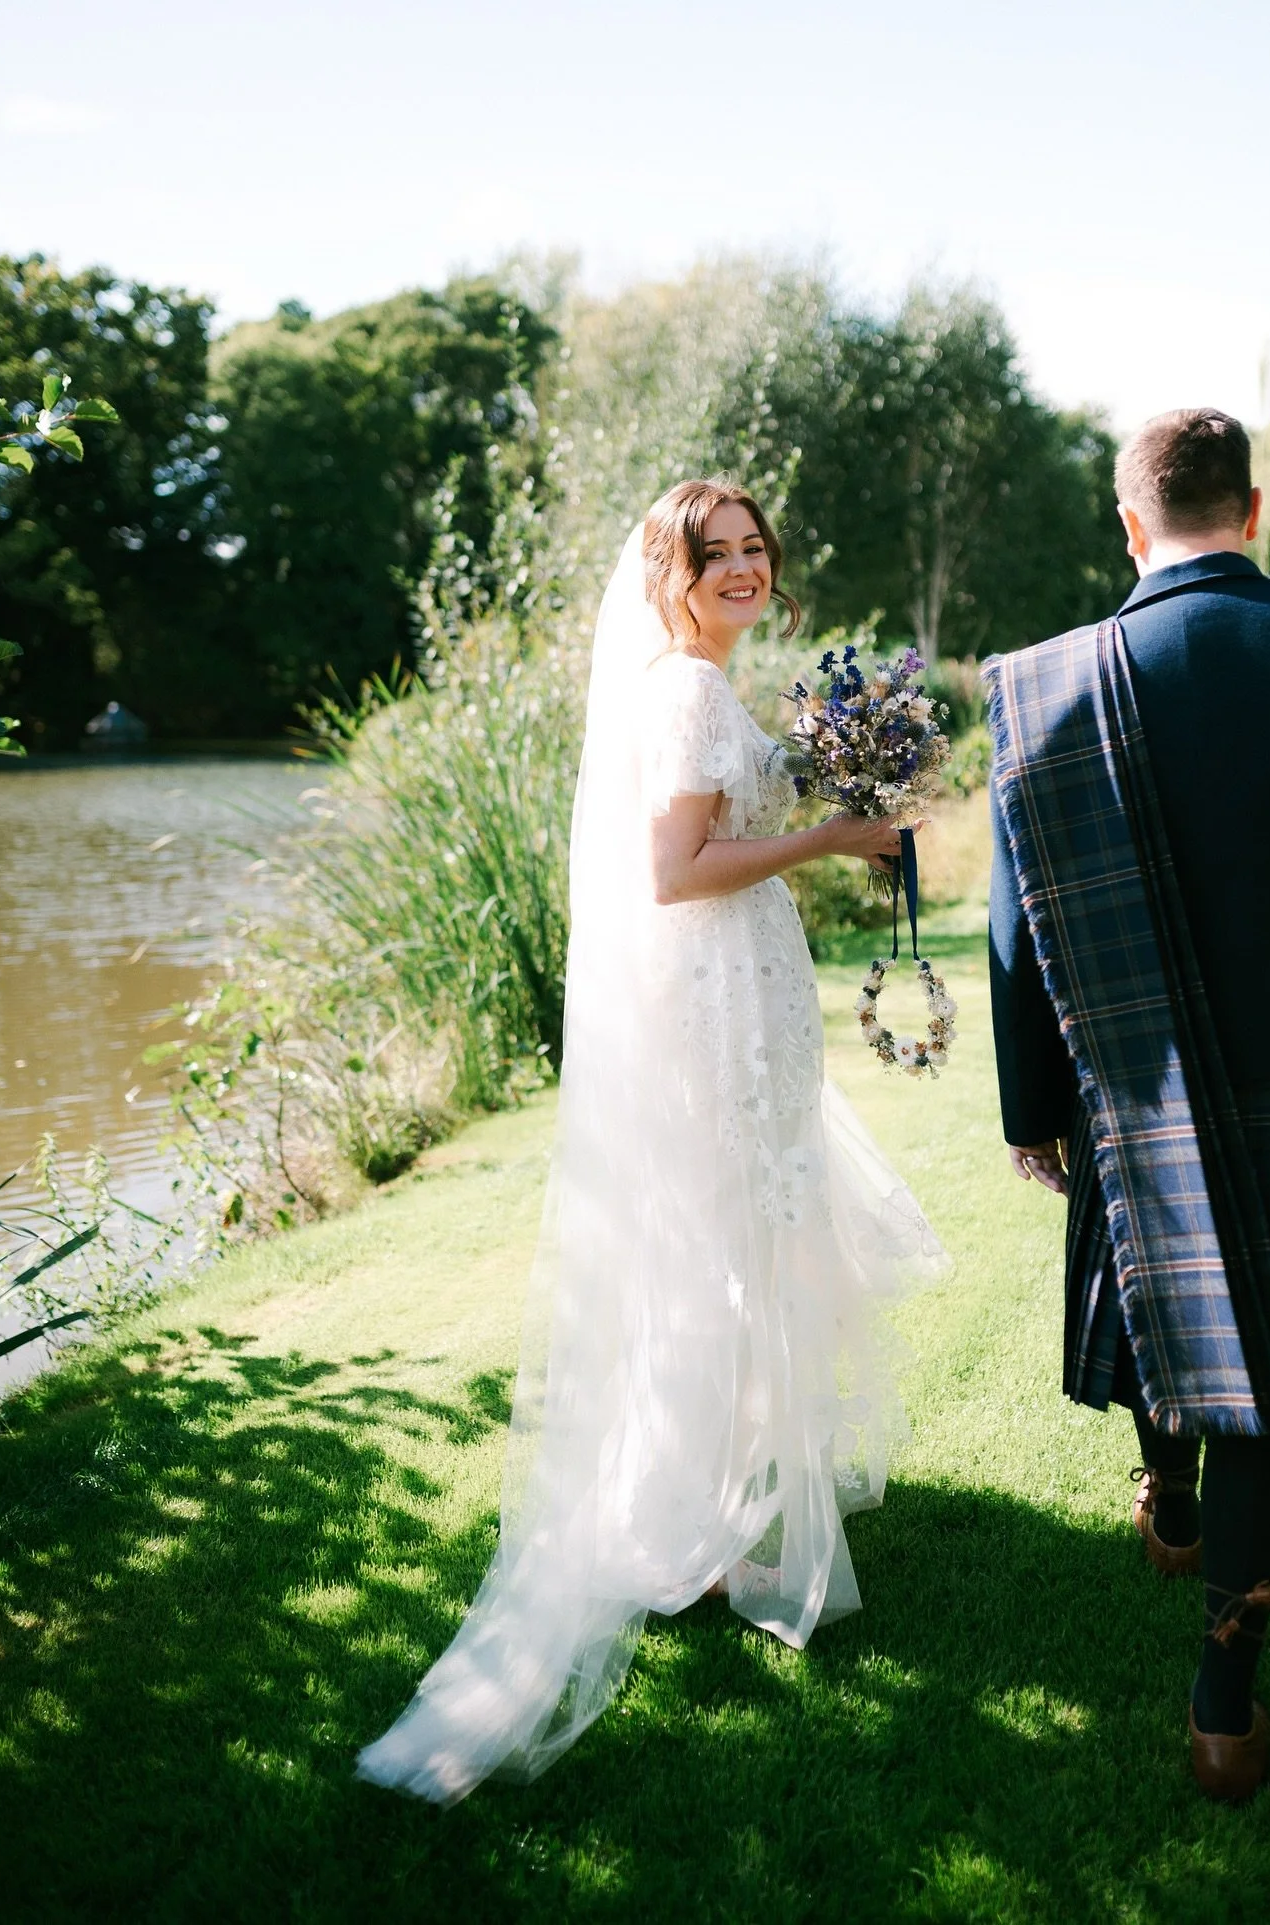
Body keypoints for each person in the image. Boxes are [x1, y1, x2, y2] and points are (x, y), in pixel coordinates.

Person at [357, 477, 947, 1805]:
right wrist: (835, 835)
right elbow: (675, 873)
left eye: (755, 550)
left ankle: (709, 1503)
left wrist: (826, 822)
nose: (743, 569)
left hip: (737, 989)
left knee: (733, 1244)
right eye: (715, 553)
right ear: (668, 573)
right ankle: (706, 1523)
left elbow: (706, 849)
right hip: (716, 995)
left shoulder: (698, 683)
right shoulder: (682, 691)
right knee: (731, 1249)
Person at [986, 407, 1270, 1802]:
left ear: (1128, 523)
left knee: (1162, 1290)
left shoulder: (1041, 682)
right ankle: (1224, 1705)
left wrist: (1029, 1104)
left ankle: (1165, 1500)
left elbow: (1017, 929)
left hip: (1126, 1070)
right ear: (1255, 508)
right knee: (1268, 1370)